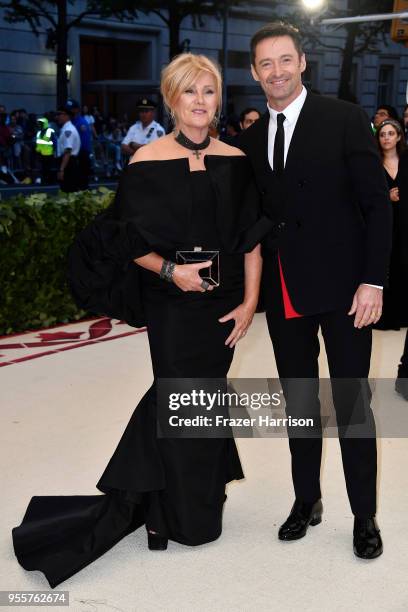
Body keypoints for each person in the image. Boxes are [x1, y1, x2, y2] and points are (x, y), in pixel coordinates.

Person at [12, 53, 268, 589]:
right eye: (190, 92)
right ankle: (170, 511)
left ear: (219, 98)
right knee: (177, 393)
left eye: (210, 92)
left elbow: (251, 240)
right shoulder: (146, 159)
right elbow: (124, 242)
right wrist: (172, 271)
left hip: (220, 304)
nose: (201, 102)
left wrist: (249, 303)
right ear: (172, 99)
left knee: (206, 396)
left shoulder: (236, 158)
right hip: (172, 303)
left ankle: (187, 502)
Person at [239, 21, 392, 559]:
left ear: (302, 63)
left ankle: (364, 515)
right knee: (299, 401)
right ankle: (307, 500)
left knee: (352, 404)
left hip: (348, 289)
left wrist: (373, 281)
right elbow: (255, 217)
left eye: (285, 60)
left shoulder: (345, 118)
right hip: (286, 292)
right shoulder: (251, 139)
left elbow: (377, 206)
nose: (276, 71)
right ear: (255, 72)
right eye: (265, 64)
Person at [375, 119, 408, 399]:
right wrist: (387, 196)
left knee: (402, 270)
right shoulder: (374, 165)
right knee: (385, 269)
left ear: (399, 137)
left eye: (391, 134)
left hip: (406, 225)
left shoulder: (407, 161)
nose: (387, 138)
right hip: (385, 226)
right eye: (383, 134)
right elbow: (369, 198)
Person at [55, 105, 81, 193]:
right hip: (68, 162)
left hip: (69, 163)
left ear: (67, 116)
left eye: (60, 114)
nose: (57, 117)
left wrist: (62, 169)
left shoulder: (68, 130)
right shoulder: (66, 129)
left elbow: (68, 151)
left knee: (68, 190)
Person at [35, 117, 56, 185]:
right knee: (43, 168)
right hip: (40, 153)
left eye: (41, 123)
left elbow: (54, 141)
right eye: (39, 123)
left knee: (48, 168)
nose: (39, 124)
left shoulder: (50, 131)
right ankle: (44, 181)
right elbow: (38, 142)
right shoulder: (39, 132)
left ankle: (49, 181)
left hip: (48, 153)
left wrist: (54, 150)